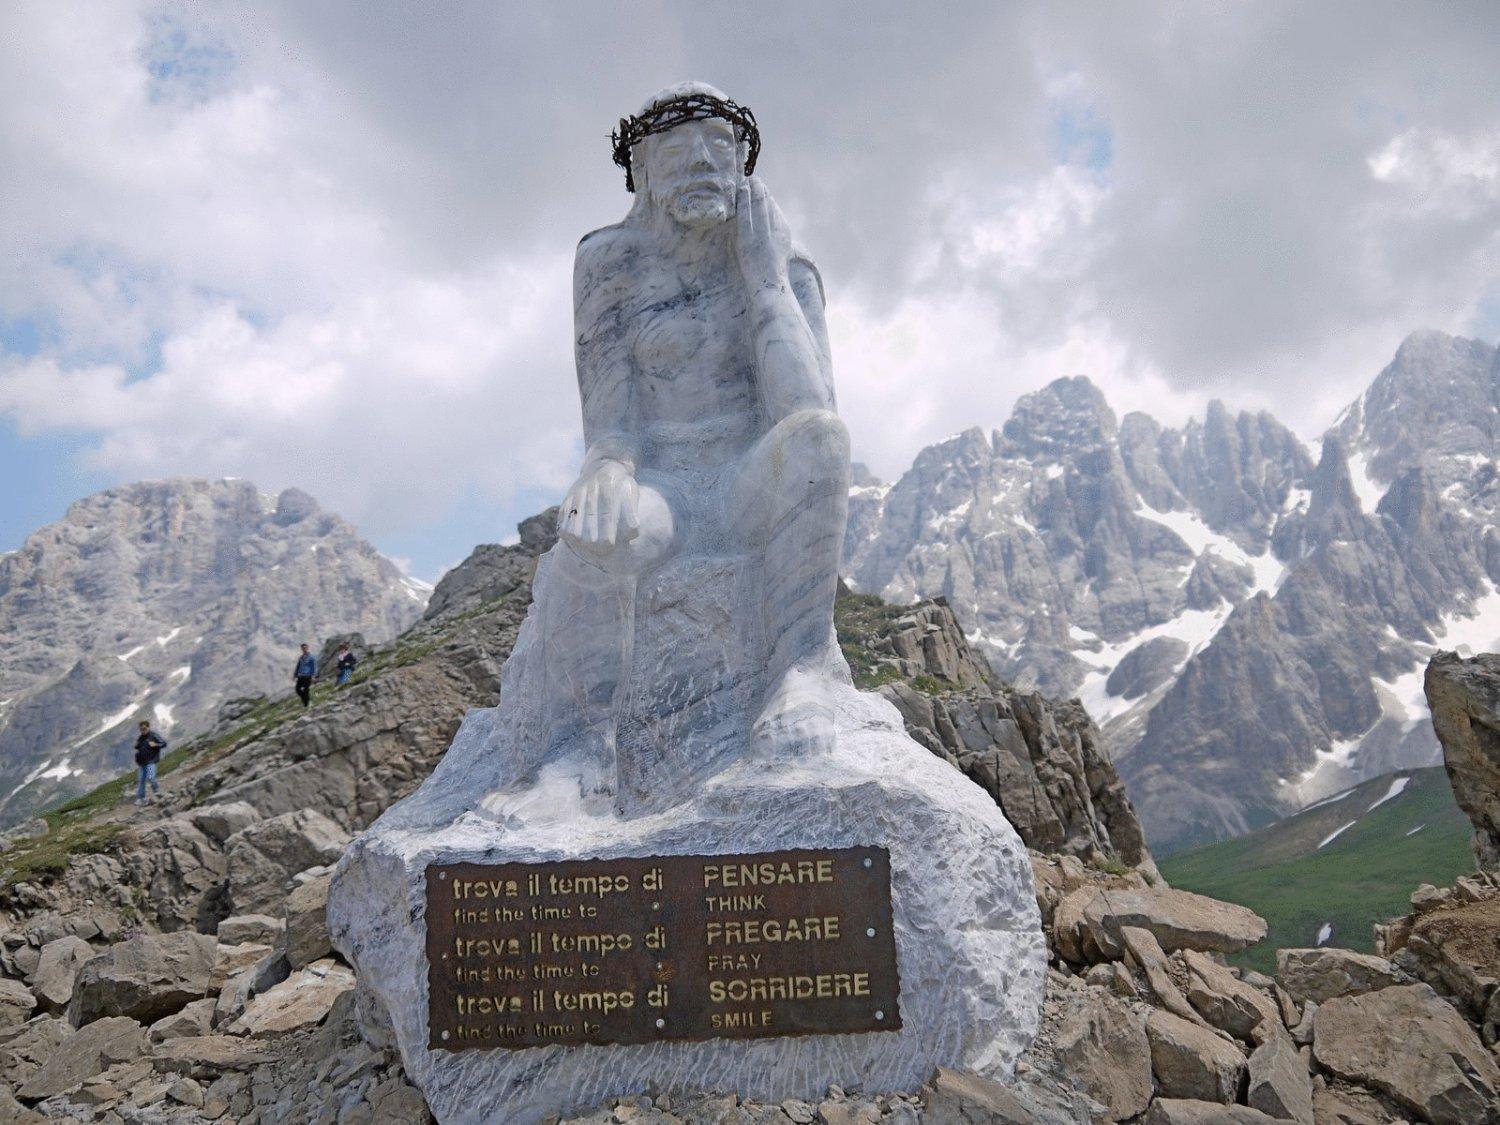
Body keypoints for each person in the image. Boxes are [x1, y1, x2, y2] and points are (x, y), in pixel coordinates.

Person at [133, 720, 165, 804]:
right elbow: (137, 746)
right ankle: (141, 798)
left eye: (144, 729)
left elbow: (163, 743)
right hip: (142, 762)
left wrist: (156, 745)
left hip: (151, 761)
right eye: (141, 729)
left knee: (151, 777)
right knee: (141, 780)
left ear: (148, 727)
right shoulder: (140, 737)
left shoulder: (154, 736)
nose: (142, 731)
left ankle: (157, 791)